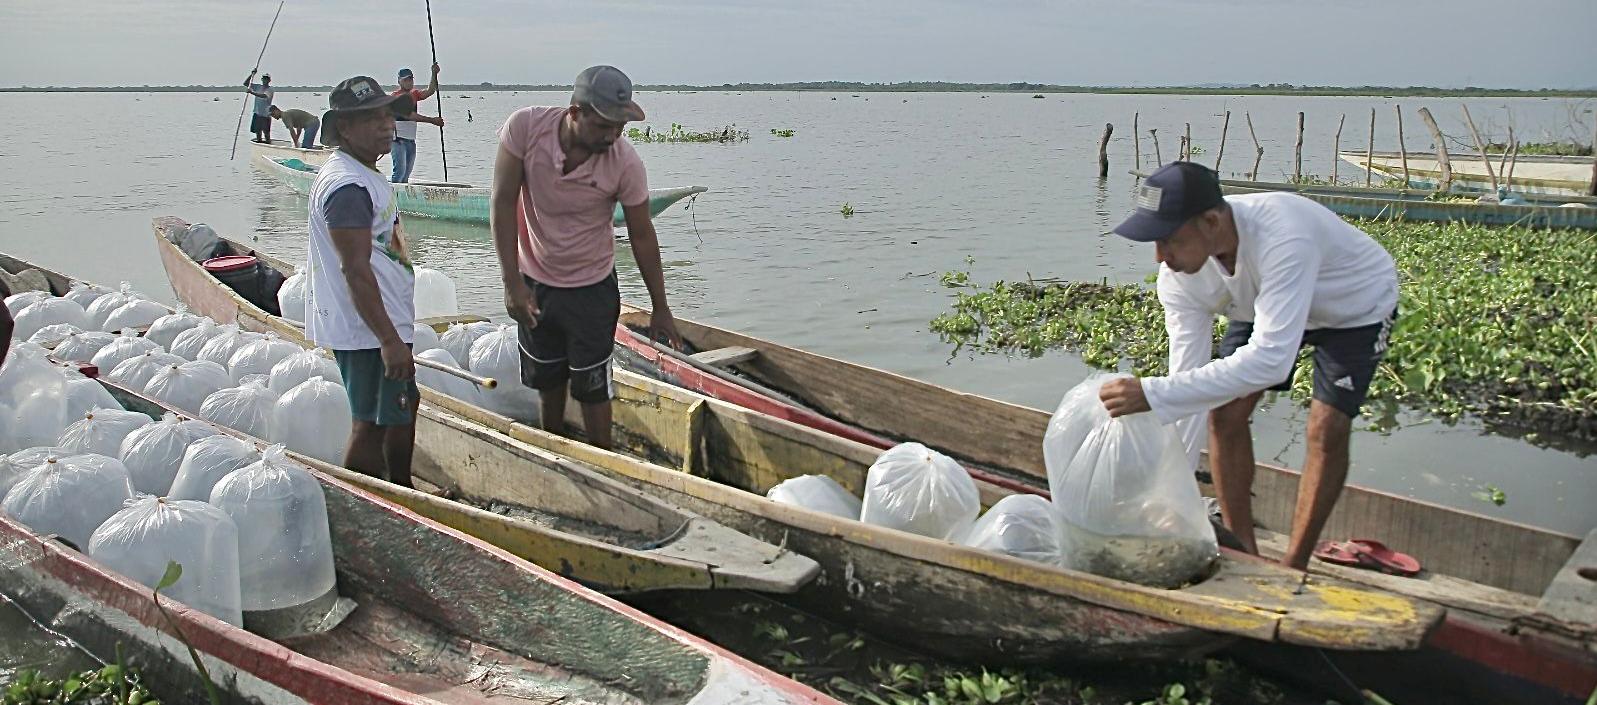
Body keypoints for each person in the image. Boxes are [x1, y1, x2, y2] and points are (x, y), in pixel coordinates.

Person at [1098, 161, 1397, 570]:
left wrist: (1150, 393)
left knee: (1326, 428)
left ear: (1211, 221)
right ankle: (1244, 552)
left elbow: (1271, 362)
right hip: (1263, 300)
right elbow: (1186, 384)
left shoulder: (1284, 237)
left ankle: (1295, 564)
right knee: (1224, 413)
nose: (1159, 257)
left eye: (1169, 240)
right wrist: (1172, 493)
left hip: (1352, 307)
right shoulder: (1181, 276)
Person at [489, 65, 681, 451]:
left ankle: (603, 459)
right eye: (604, 126)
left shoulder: (625, 163)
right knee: (548, 380)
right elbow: (502, 200)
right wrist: (511, 284)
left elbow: (642, 235)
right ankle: (555, 448)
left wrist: (661, 307)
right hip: (535, 282)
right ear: (575, 113)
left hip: (591, 288)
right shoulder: (525, 129)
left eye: (620, 128)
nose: (613, 136)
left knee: (594, 387)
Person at [303, 76, 420, 488]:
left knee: (399, 410)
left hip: (380, 323)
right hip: (368, 330)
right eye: (371, 118)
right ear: (345, 129)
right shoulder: (347, 185)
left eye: (388, 114)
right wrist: (388, 340)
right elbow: (355, 268)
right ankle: (368, 498)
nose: (387, 124)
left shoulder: (362, 172)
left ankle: (402, 489)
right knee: (370, 423)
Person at [390, 65, 444, 183]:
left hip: (410, 139)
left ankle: (401, 199)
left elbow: (430, 91)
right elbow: (409, 115)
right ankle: (389, 198)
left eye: (411, 79)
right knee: (399, 172)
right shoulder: (396, 96)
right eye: (405, 80)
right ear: (399, 81)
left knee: (406, 175)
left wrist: (434, 74)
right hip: (397, 140)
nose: (409, 82)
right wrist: (432, 120)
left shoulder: (414, 94)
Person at [243, 71, 275, 143]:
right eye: (264, 79)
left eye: (267, 79)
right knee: (258, 132)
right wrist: (252, 74)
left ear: (269, 80)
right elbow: (245, 83)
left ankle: (268, 145)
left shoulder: (270, 89)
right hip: (257, 113)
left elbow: (264, 96)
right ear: (262, 79)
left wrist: (251, 92)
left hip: (265, 115)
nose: (265, 80)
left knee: (266, 133)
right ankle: (259, 143)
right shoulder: (258, 87)